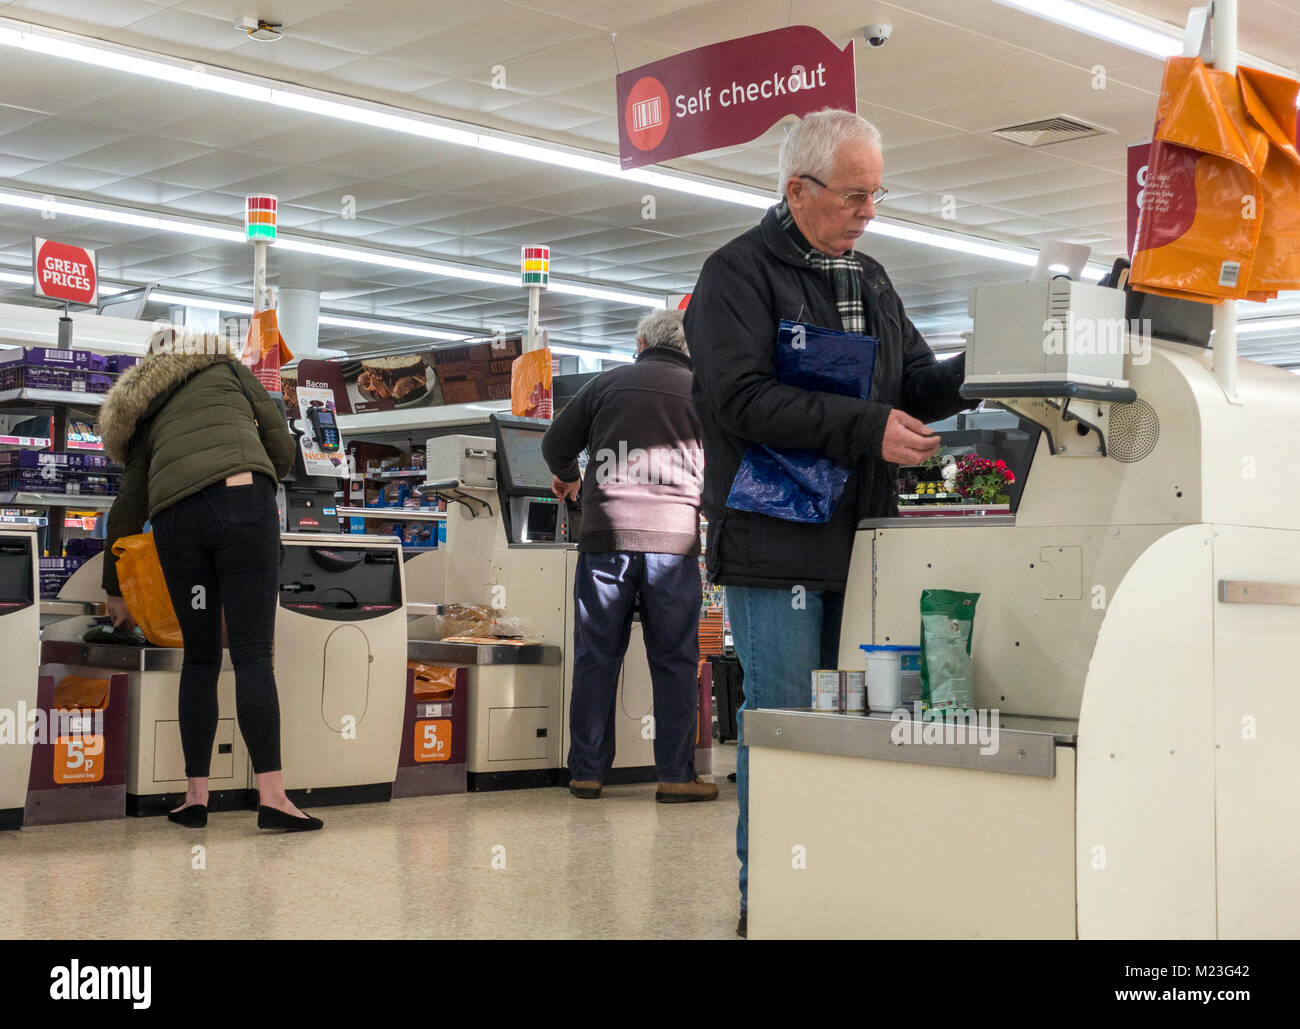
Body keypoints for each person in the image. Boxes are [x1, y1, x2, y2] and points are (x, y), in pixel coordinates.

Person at [684, 109, 973, 936]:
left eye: (878, 193)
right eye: (854, 194)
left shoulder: (872, 279)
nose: (869, 210)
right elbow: (740, 398)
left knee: (859, 725)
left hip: (864, 540)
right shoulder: (736, 275)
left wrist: (986, 367)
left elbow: (912, 380)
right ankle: (769, 897)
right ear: (797, 190)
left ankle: (839, 890)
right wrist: (864, 426)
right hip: (776, 544)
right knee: (787, 722)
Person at [100, 330, 322, 832]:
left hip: (177, 523)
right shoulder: (227, 370)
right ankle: (273, 798)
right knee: (251, 656)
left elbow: (128, 508)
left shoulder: (144, 411)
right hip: (242, 503)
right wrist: (265, 470)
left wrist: (115, 588)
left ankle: (194, 798)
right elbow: (281, 446)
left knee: (200, 657)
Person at [541, 309, 716, 804]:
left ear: (641, 342)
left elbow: (556, 443)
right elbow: (724, 470)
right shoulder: (702, 390)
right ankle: (676, 776)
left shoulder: (606, 384)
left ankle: (587, 773)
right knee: (675, 660)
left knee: (597, 656)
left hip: (606, 541)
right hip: (673, 545)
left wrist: (571, 475)